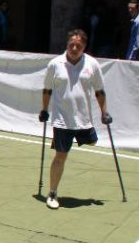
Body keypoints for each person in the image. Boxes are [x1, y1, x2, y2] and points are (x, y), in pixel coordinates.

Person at [40, 29, 112, 209]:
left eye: (78, 46)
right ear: (67, 44)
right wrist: (44, 109)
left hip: (84, 119)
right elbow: (47, 89)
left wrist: (104, 112)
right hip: (62, 120)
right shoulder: (55, 64)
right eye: (71, 44)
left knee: (93, 141)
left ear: (84, 47)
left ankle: (84, 137)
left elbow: (99, 91)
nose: (74, 48)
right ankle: (53, 193)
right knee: (61, 156)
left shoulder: (92, 64)